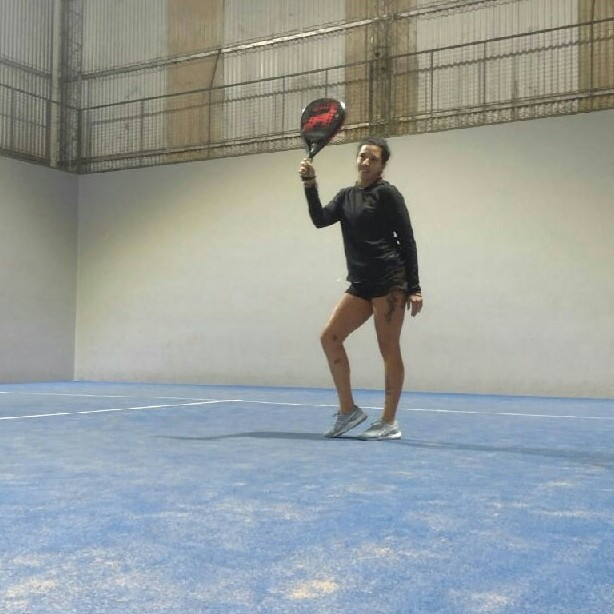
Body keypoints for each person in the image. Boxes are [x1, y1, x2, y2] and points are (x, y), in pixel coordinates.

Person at [299, 136, 423, 440]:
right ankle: (348, 411)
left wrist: (415, 287)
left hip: (390, 280)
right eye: (362, 156)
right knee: (330, 337)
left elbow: (407, 239)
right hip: (361, 282)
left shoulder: (388, 194)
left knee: (388, 348)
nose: (366, 162)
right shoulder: (346, 196)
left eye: (373, 159)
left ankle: (389, 422)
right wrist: (310, 184)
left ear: (382, 165)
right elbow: (320, 219)